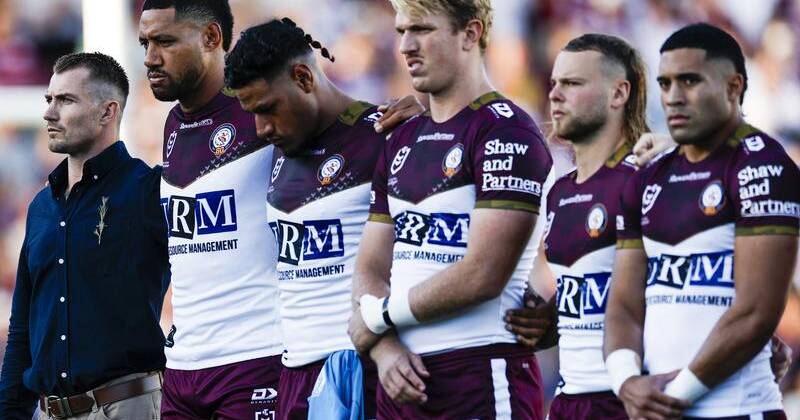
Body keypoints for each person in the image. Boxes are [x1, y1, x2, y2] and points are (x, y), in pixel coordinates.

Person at [349, 0, 554, 418]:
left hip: (480, 372)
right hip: (402, 381)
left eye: (422, 29)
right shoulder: (401, 137)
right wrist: (385, 349)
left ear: (471, 34)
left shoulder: (507, 131)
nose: (406, 45)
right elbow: (370, 266)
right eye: (402, 30)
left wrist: (379, 319)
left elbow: (483, 274)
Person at [224, 18, 424, 420]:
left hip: (363, 365)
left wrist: (431, 120)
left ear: (303, 77)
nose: (261, 129)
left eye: (266, 109)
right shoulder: (275, 148)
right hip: (293, 371)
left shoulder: (386, 136)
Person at [605, 22, 800, 419]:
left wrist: (670, 397)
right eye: (665, 83)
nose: (673, 97)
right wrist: (627, 382)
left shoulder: (762, 164)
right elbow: (623, 303)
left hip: (736, 410)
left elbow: (756, 311)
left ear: (733, 87)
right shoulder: (647, 178)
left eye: (690, 81)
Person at [0, 52, 168, 419]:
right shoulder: (41, 207)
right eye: (49, 100)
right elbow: (23, 328)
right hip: (49, 411)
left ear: (107, 112)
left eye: (66, 100)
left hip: (126, 406)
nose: (49, 113)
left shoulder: (150, 190)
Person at [138, 2, 283, 418]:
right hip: (183, 367)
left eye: (165, 41)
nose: (150, 57)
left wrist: (398, 117)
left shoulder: (261, 104)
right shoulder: (172, 124)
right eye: (145, 43)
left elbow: (342, 126)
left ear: (211, 38)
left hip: (255, 359)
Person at [505, 33, 647, 419]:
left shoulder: (645, 182)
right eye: (553, 83)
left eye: (572, 83)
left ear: (619, 94)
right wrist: (548, 319)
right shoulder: (559, 192)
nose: (554, 94)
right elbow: (587, 289)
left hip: (627, 399)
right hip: (570, 400)